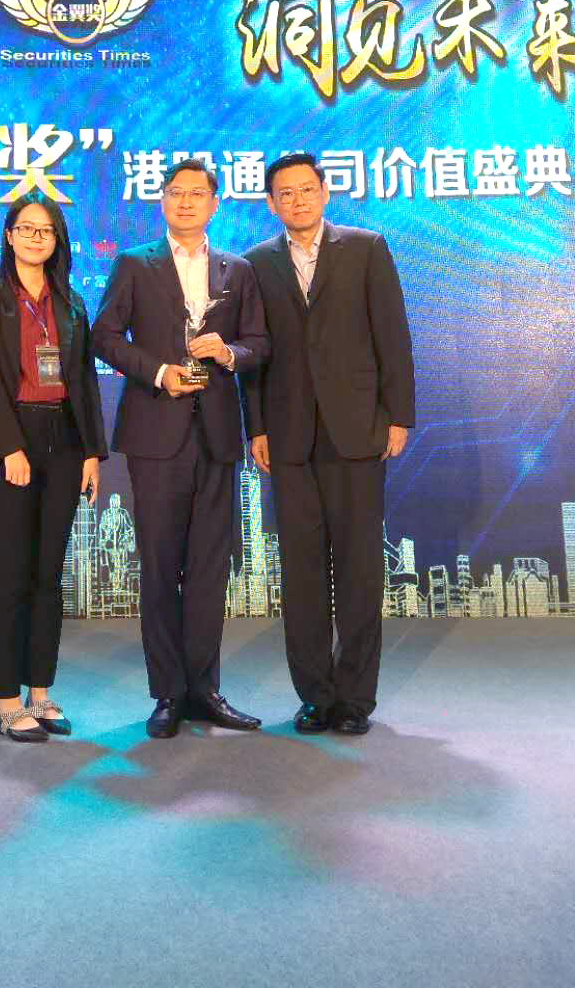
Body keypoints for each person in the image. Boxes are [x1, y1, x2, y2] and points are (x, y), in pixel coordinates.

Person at [92, 159, 270, 739]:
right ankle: (168, 693)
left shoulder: (238, 269)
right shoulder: (135, 263)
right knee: (160, 566)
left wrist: (229, 353)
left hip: (216, 436)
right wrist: (159, 372)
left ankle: (205, 690)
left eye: (197, 194)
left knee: (210, 570)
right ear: (163, 201)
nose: (186, 202)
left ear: (215, 204)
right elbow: (104, 336)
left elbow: (260, 345)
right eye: (176, 193)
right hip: (155, 434)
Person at [243, 151, 415, 736]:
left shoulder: (366, 249)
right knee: (303, 573)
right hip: (289, 437)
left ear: (324, 191)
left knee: (360, 571)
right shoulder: (256, 263)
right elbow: (253, 357)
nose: (297, 200)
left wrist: (398, 417)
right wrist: (256, 427)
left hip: (357, 431)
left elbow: (393, 338)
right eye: (285, 193)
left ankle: (355, 699)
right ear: (271, 203)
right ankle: (315, 696)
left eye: (306, 189)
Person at [0, 190, 108, 742]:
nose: (35, 237)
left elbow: (85, 382)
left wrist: (92, 452)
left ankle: (40, 693)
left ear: (57, 240)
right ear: (9, 235)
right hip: (13, 438)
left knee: (49, 574)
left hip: (66, 441)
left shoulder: (72, 303)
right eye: (26, 228)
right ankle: (5, 701)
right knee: (12, 574)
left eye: (46, 230)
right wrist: (9, 448)